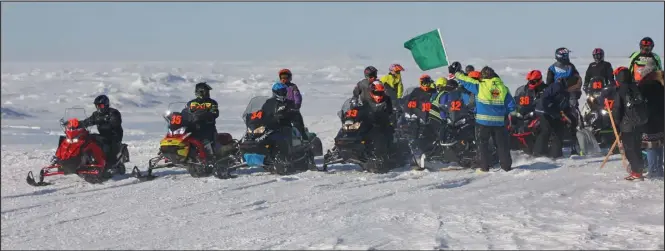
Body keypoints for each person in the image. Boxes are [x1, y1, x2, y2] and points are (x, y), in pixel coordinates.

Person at [451, 63, 515, 172]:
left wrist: (456, 73)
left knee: (482, 145)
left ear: (483, 76)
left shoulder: (480, 86)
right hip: (499, 122)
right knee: (502, 145)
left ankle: (484, 167)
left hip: (483, 122)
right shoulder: (503, 88)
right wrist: (501, 113)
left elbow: (466, 81)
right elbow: (511, 106)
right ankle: (506, 167)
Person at [611, 67, 650, 181]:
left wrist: (617, 123)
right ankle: (638, 169)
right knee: (637, 147)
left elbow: (617, 109)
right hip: (640, 123)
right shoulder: (636, 87)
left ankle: (636, 173)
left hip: (627, 125)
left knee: (630, 149)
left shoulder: (620, 90)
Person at [546, 47, 583, 154]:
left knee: (574, 117)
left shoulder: (571, 67)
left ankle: (574, 144)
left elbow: (578, 80)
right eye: (565, 55)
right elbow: (549, 84)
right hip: (557, 97)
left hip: (570, 95)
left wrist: (574, 90)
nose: (567, 57)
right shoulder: (552, 68)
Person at [636, 58, 664, 179]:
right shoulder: (660, 85)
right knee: (659, 144)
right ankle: (659, 169)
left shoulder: (642, 86)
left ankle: (653, 170)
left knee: (650, 146)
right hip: (661, 119)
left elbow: (639, 103)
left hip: (648, 120)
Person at [78, 95, 124, 167]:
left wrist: (107, 119)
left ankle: (110, 164)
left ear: (106, 105)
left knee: (109, 145)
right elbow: (88, 121)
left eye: (101, 106)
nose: (99, 108)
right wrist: (77, 124)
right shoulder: (96, 114)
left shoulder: (113, 112)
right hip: (103, 135)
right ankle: (87, 158)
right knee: (89, 139)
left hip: (114, 135)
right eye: (97, 106)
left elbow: (116, 122)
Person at [186, 82, 220, 162]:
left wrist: (207, 115)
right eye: (205, 91)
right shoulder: (191, 103)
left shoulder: (212, 102)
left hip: (207, 127)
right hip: (193, 127)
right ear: (199, 91)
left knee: (208, 142)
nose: (207, 93)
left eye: (208, 91)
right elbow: (185, 112)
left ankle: (212, 158)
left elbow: (215, 113)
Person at [277, 68, 308, 140]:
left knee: (298, 125)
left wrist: (297, 105)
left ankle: (305, 141)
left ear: (289, 77)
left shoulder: (293, 87)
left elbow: (297, 96)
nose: (284, 79)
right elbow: (274, 97)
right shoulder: (278, 87)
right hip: (280, 111)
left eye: (286, 77)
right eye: (282, 77)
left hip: (292, 110)